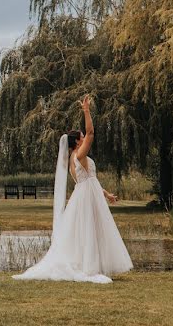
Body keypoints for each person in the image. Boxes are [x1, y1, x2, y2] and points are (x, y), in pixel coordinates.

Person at [14, 95, 133, 283]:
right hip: (86, 196)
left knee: (85, 230)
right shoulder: (80, 155)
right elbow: (92, 133)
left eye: (83, 136)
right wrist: (86, 111)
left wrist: (106, 193)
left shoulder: (71, 159)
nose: (85, 138)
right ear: (78, 142)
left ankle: (89, 264)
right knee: (89, 229)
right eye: (82, 137)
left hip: (85, 194)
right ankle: (89, 268)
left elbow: (88, 180)